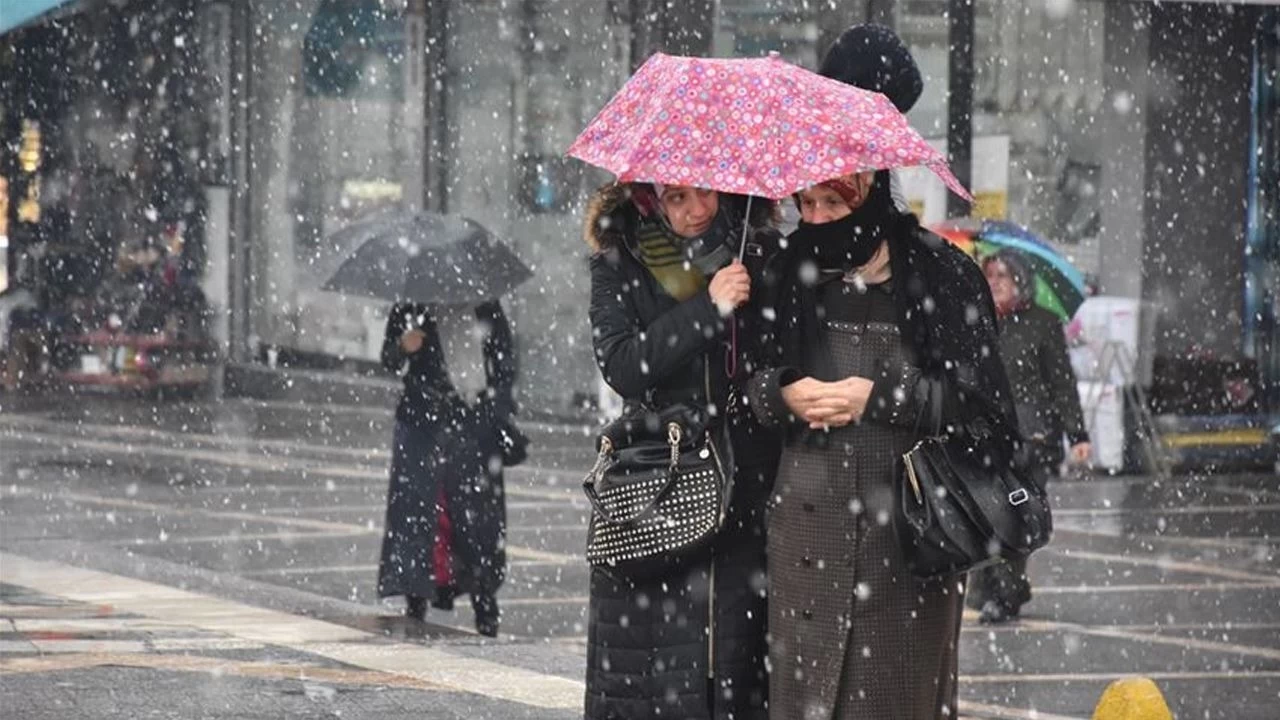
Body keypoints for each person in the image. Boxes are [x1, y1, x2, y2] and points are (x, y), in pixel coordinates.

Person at [746, 171, 1020, 719]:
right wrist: (781, 393)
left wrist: (882, 397)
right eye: (807, 203)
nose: (816, 218)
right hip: (804, 540)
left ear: (869, 189)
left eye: (832, 201)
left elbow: (984, 409)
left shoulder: (940, 274)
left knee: (894, 700)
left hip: (907, 539)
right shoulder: (783, 272)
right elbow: (747, 391)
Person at [583, 181, 783, 720]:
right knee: (655, 669)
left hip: (745, 479)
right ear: (648, 199)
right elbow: (624, 365)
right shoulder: (620, 258)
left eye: (705, 194)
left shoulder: (756, 249)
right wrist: (708, 308)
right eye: (676, 198)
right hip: (659, 478)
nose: (697, 210)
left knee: (736, 663)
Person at [376, 298, 516, 637]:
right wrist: (404, 346)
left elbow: (504, 364)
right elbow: (389, 359)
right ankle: (417, 601)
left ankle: (485, 606)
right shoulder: (411, 307)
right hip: (422, 427)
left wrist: (494, 412)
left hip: (470, 426)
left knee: (475, 522)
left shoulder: (484, 305)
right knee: (421, 516)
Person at [968, 249, 1091, 623]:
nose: (994, 283)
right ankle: (994, 588)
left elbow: (1062, 384)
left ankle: (1005, 593)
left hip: (1031, 437)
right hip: (985, 435)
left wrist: (1077, 433)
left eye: (1002, 276)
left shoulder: (1043, 323)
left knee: (1014, 514)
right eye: (989, 275)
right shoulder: (977, 321)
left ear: (1020, 280)